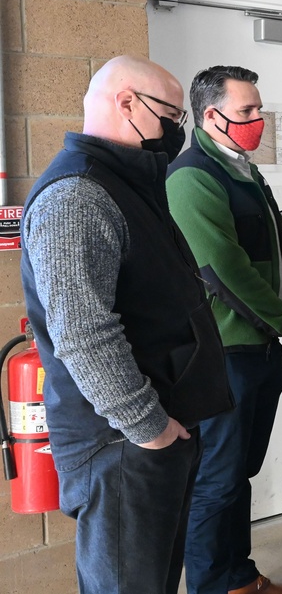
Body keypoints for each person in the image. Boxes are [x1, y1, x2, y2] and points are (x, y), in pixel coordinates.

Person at [19, 55, 233, 594]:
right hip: (122, 443)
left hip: (152, 432)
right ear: (127, 103)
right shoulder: (78, 195)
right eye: (172, 115)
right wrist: (149, 427)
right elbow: (83, 333)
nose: (178, 130)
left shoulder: (128, 184)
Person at [166, 66, 282, 594]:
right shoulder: (191, 177)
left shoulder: (246, 172)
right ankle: (213, 586)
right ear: (211, 115)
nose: (259, 120)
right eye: (247, 111)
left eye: (259, 109)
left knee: (239, 474)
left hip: (259, 349)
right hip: (223, 354)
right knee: (216, 480)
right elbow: (223, 270)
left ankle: (240, 579)